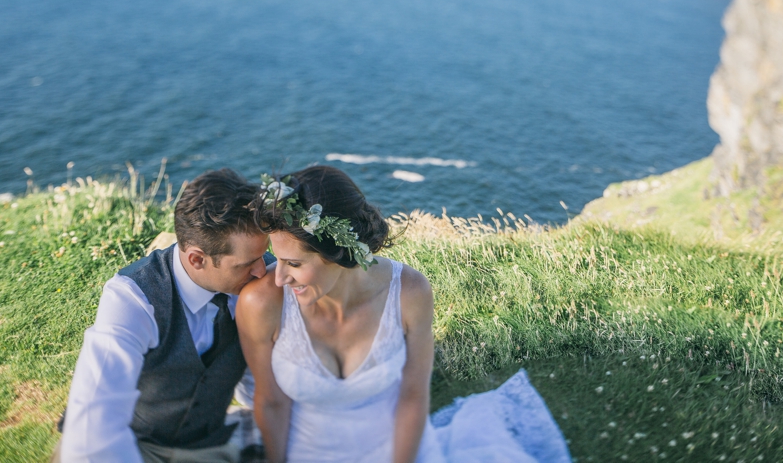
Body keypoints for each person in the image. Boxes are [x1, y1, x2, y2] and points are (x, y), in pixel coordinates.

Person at [237, 166, 571, 463]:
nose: (278, 276)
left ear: (337, 254)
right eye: (275, 257)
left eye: (293, 264)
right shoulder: (262, 304)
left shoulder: (409, 292)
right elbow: (271, 403)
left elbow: (413, 395)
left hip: (399, 449)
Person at [57, 169, 273, 463]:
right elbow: (95, 424)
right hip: (130, 446)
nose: (262, 270)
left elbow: (261, 384)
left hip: (209, 443)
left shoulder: (262, 280)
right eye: (247, 263)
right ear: (197, 259)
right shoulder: (133, 298)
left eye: (264, 254)